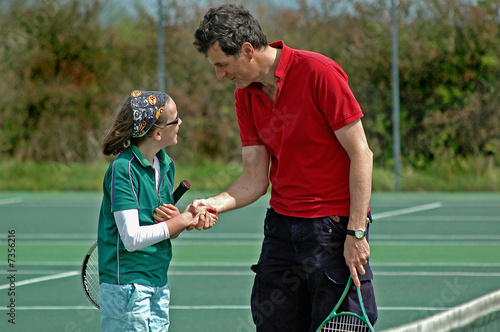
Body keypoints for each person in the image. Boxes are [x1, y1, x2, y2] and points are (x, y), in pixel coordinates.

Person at [192, 4, 377, 331]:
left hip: (332, 229)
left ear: (247, 51)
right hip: (280, 228)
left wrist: (356, 232)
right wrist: (212, 203)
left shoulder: (319, 72)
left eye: (222, 65)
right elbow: (254, 178)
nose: (220, 75)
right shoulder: (244, 96)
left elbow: (361, 154)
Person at [97, 90, 216, 331]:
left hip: (158, 281)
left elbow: (162, 227)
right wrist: (182, 219)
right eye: (176, 118)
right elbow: (132, 239)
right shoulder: (124, 170)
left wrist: (183, 222)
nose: (181, 122)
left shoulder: (166, 164)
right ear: (158, 133)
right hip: (128, 286)